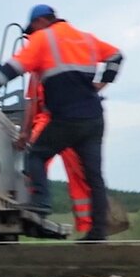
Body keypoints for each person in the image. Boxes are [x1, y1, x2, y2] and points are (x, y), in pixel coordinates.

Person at [0, 5, 123, 241]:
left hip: (67, 118)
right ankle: (98, 232)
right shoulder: (86, 39)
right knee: (94, 176)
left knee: (35, 156)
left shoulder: (43, 39)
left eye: (32, 30)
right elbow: (117, 56)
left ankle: (41, 203)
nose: (31, 35)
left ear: (39, 22)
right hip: (94, 118)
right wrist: (101, 83)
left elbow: (14, 67)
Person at [23, 73, 93, 235]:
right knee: (33, 163)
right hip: (64, 120)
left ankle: (87, 225)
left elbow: (32, 102)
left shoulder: (40, 69)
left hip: (65, 120)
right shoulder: (73, 66)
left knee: (34, 161)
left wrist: (26, 132)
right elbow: (33, 101)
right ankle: (37, 207)